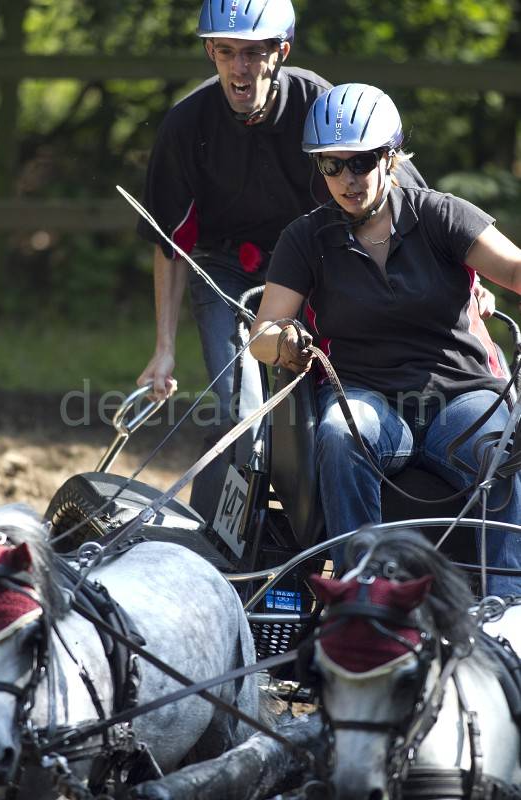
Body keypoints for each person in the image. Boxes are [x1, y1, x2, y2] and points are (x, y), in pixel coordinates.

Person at [136, 0, 493, 522]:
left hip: (318, 262)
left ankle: (312, 519)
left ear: (280, 51)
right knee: (243, 410)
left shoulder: (322, 105)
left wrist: (468, 277)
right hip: (228, 268)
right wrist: (164, 349)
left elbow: (413, 202)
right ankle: (225, 537)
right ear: (209, 51)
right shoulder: (186, 124)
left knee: (311, 409)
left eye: (253, 53)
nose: (239, 68)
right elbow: (171, 241)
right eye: (225, 51)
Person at [250, 82, 521, 597]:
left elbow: (513, 268)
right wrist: (285, 342)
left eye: (362, 162)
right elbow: (262, 334)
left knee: (498, 447)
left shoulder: (441, 214)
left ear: (391, 158)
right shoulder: (305, 238)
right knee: (339, 431)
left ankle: (507, 605)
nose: (348, 178)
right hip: (365, 396)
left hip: (460, 396)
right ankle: (362, 596)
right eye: (332, 165)